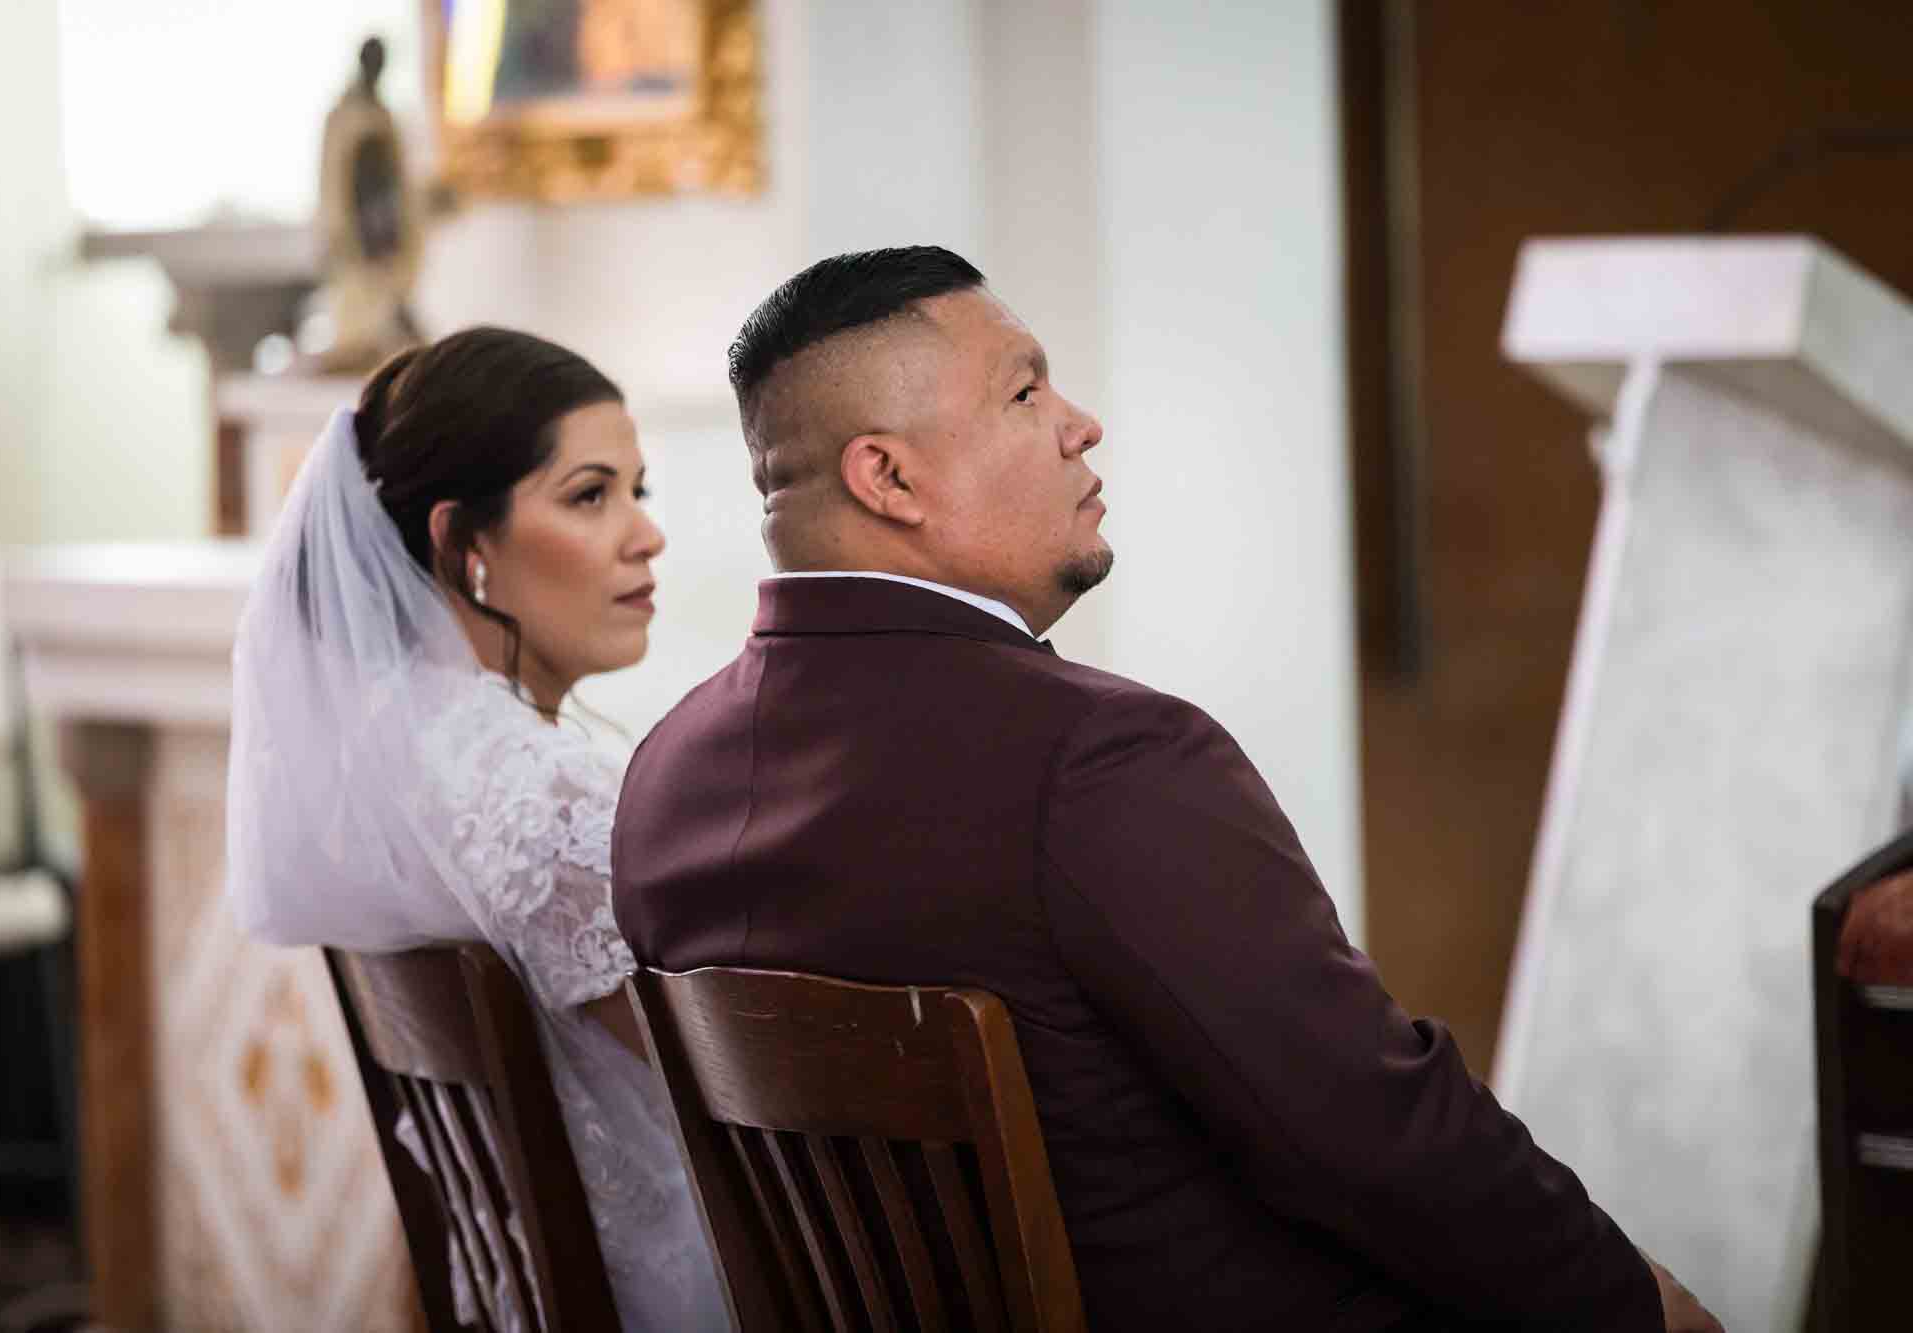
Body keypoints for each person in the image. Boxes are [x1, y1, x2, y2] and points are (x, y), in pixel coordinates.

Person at [611, 248, 1723, 1332]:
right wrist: (1627, 1300)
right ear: (888, 476)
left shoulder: (665, 783)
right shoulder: (1099, 758)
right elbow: (1366, 1129)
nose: (1077, 422)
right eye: (1024, 388)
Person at [225, 326, 724, 1332]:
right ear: (463, 544)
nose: (645, 535)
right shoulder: (542, 796)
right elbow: (728, 1085)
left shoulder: (388, 762)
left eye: (639, 491)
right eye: (590, 495)